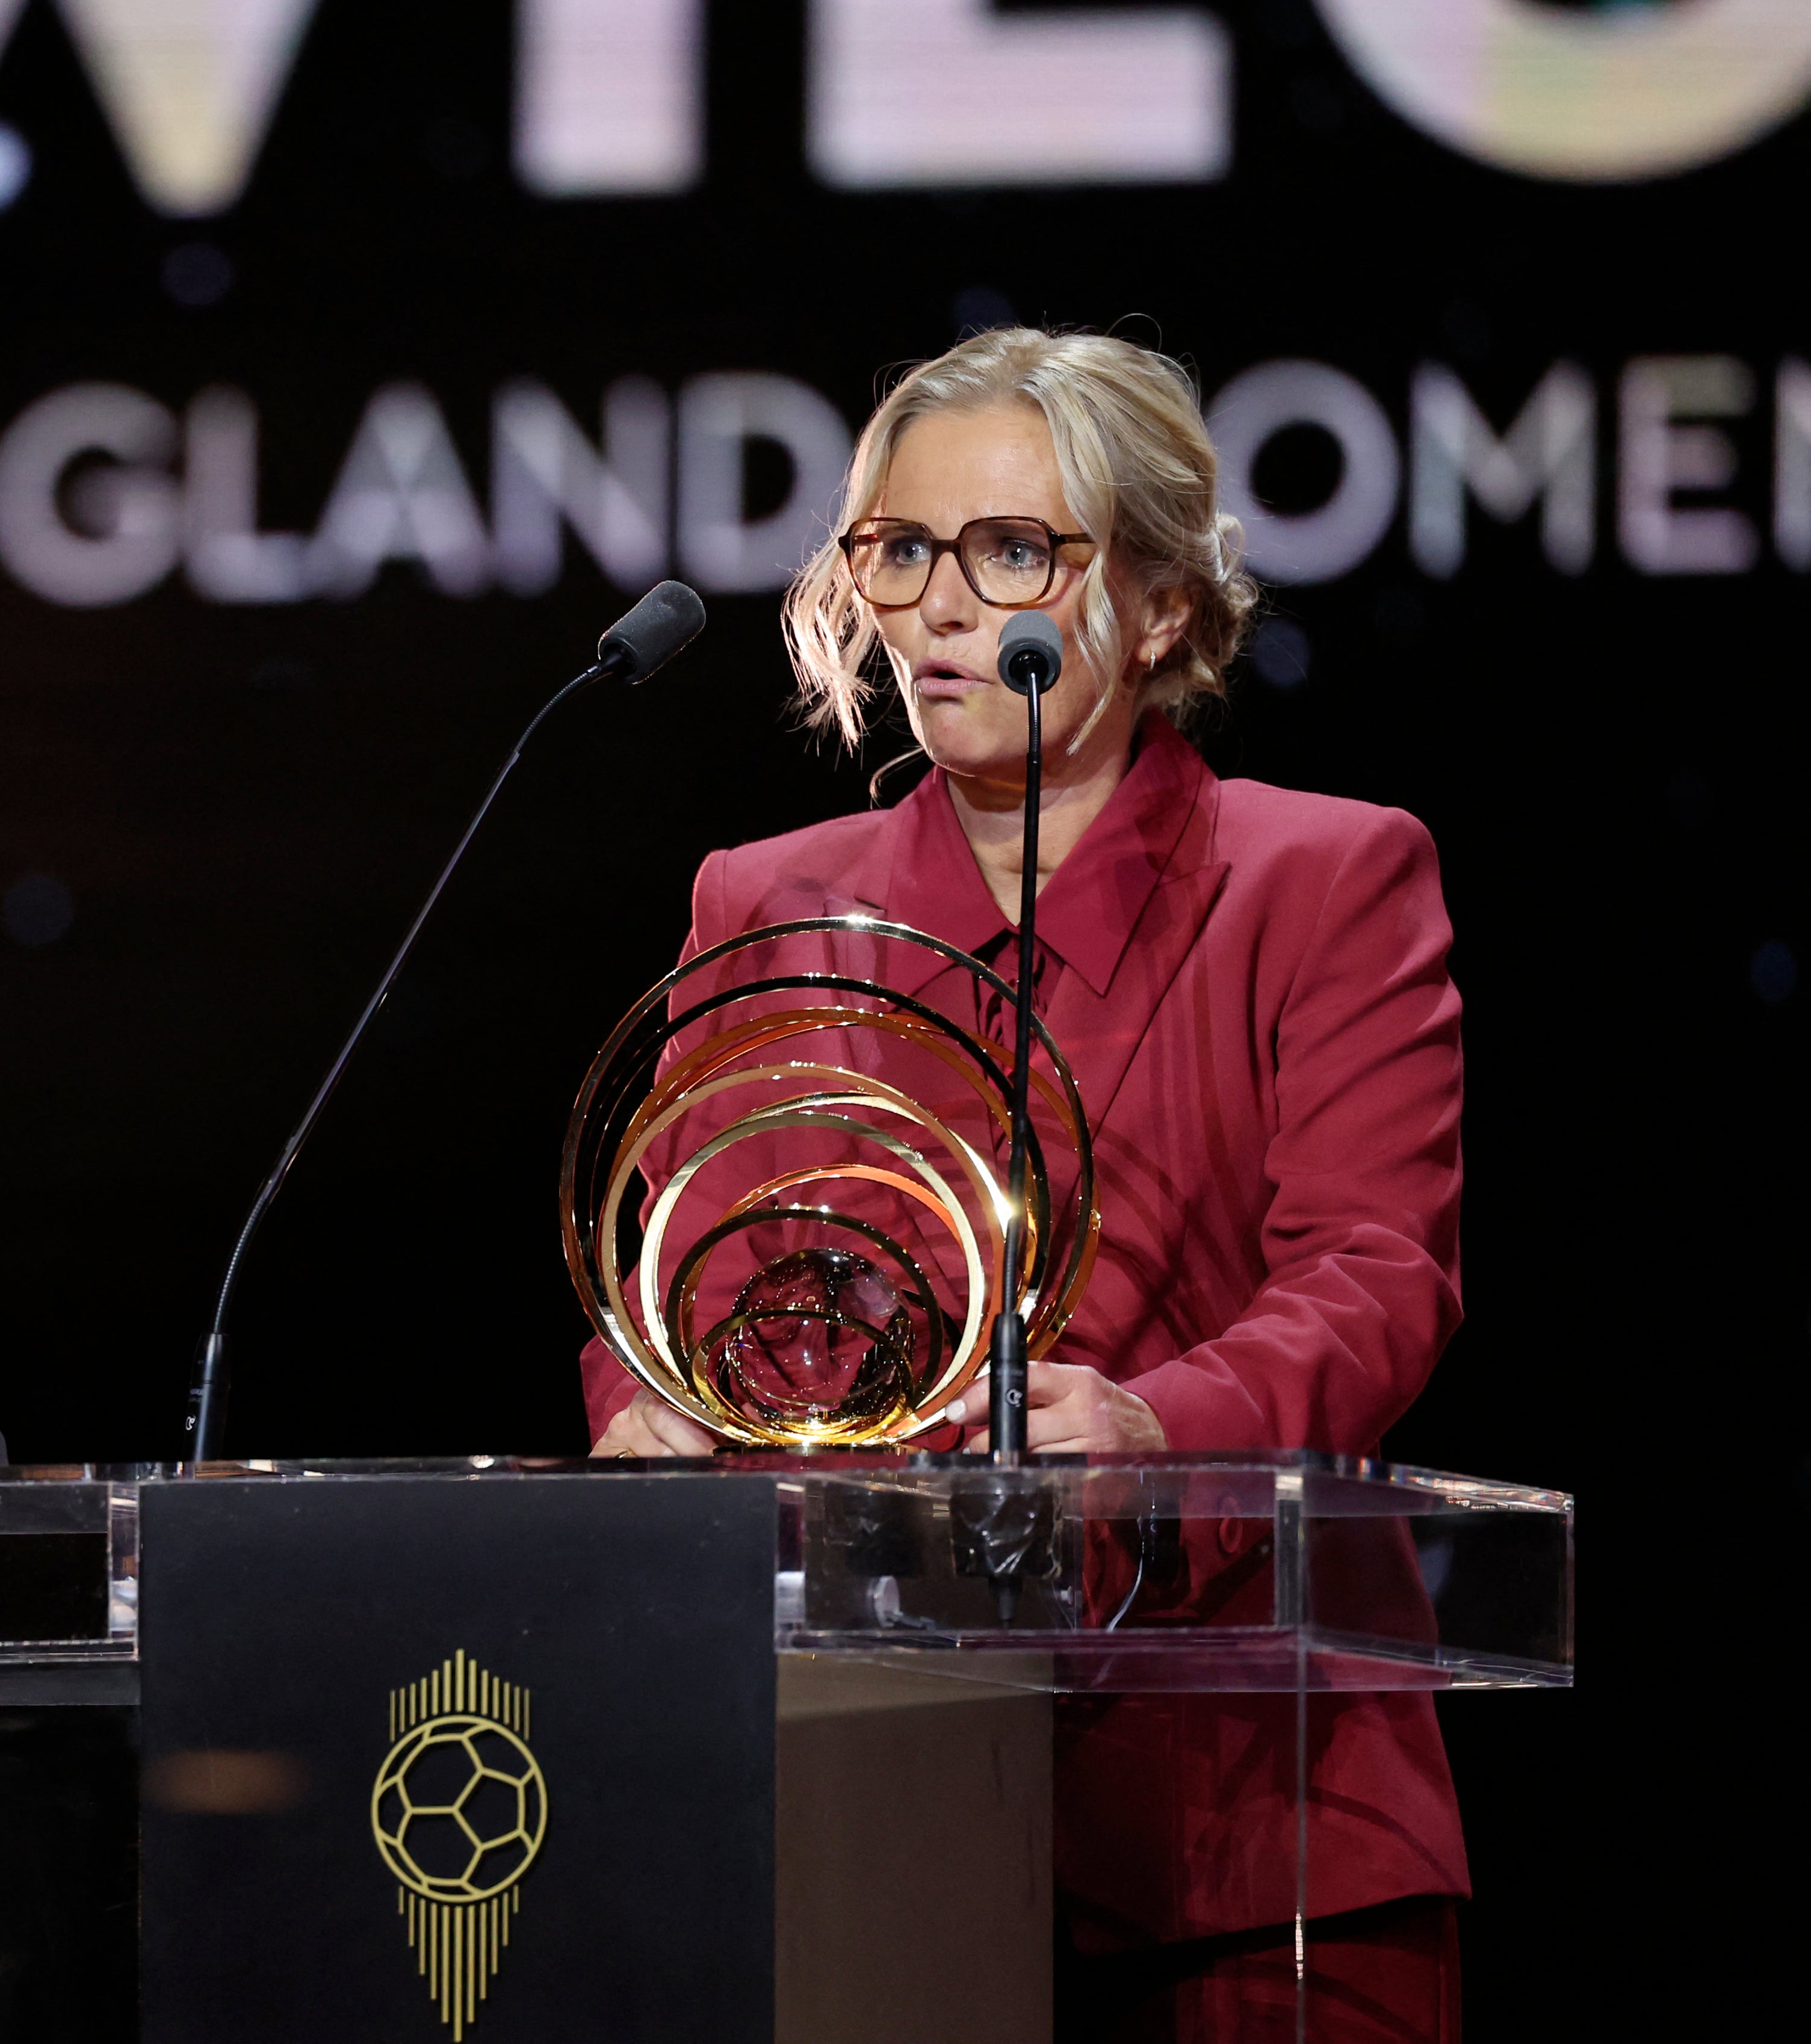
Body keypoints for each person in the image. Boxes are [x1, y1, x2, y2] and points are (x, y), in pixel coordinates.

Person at [585, 329, 1468, 2040]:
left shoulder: (1328, 877)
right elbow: (678, 1280)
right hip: (856, 1775)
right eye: (898, 551)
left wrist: (1160, 1425)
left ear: (1154, 607)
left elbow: (1378, 1277)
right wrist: (644, 1404)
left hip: (1246, 1812)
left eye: (1007, 553)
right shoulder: (763, 902)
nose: (931, 608)